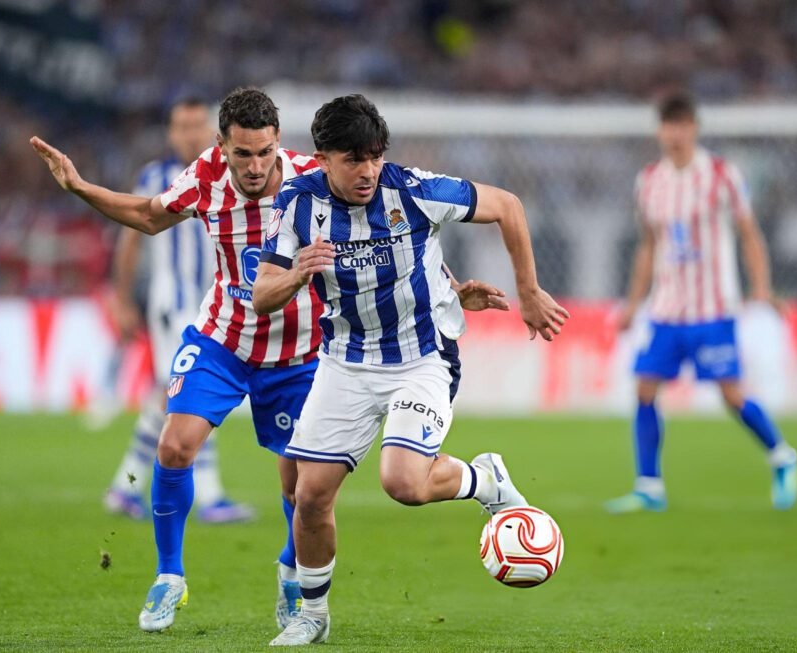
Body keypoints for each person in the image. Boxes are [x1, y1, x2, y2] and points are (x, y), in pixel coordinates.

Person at [32, 87, 508, 634]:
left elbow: (401, 246)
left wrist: (449, 290)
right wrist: (78, 187)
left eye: (264, 152)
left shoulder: (318, 178)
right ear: (223, 146)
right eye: (242, 154)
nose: (255, 166)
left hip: (301, 351)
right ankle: (169, 576)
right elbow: (145, 215)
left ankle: (292, 574)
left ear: (279, 143)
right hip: (225, 339)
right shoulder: (205, 177)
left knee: (298, 485)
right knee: (173, 443)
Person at [253, 94, 570, 646]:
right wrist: (297, 274)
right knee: (308, 497)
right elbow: (261, 297)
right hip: (345, 362)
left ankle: (483, 480)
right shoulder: (296, 205)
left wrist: (529, 290)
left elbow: (509, 206)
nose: (369, 171)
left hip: (421, 360)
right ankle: (314, 614)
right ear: (322, 158)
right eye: (354, 159)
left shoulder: (413, 190)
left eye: (376, 156)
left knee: (403, 483)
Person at [605, 91, 797, 514]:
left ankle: (782, 455)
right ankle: (649, 486)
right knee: (644, 388)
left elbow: (748, 232)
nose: (674, 134)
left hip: (713, 308)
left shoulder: (721, 175)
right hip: (666, 309)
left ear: (693, 127)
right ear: (660, 130)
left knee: (731, 394)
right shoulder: (649, 181)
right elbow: (648, 246)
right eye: (667, 125)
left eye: (681, 125)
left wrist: (762, 287)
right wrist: (634, 304)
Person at [104, 97, 255, 525]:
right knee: (189, 395)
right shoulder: (156, 176)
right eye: (180, 126)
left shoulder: (233, 175)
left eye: (196, 125)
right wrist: (121, 297)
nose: (189, 134)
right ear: (171, 133)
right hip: (174, 304)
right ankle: (210, 496)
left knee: (167, 398)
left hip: (218, 302)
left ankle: (123, 487)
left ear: (211, 130)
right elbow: (131, 239)